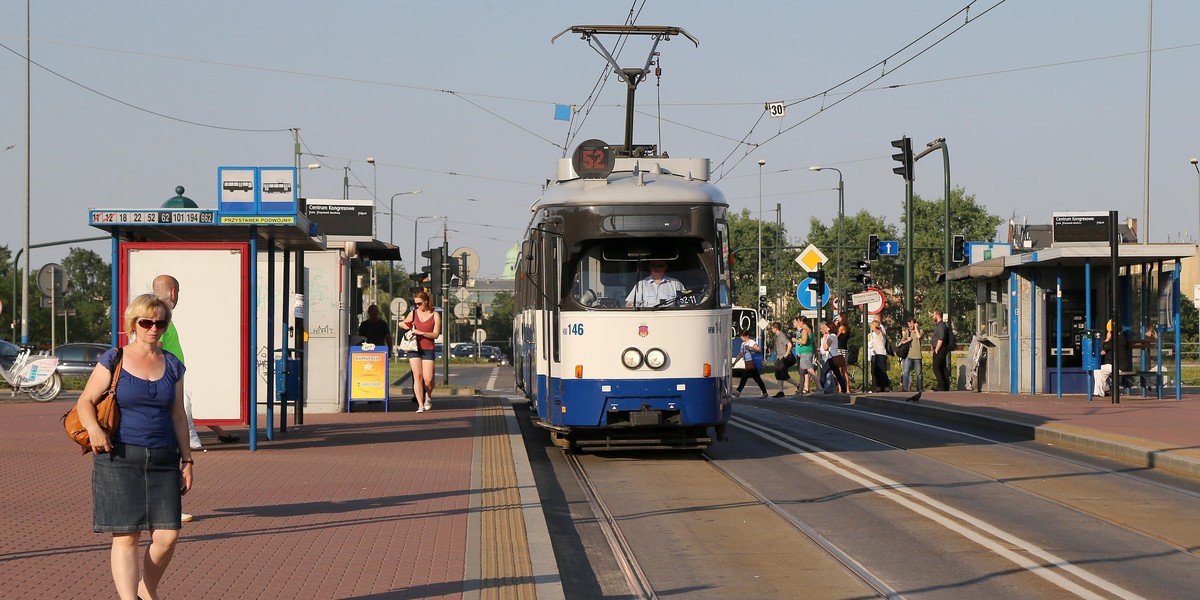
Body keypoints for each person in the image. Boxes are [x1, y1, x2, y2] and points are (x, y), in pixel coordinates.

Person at [75, 293, 192, 600]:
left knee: (167, 536)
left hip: (164, 458)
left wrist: (188, 460)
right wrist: (94, 430)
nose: (154, 328)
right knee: (127, 536)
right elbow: (85, 401)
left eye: (160, 322)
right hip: (119, 457)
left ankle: (147, 588)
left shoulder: (173, 365)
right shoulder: (115, 358)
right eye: (146, 322)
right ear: (134, 324)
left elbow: (178, 414)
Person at [152, 275, 239, 447]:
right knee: (183, 407)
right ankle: (191, 443)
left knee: (185, 405)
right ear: (174, 292)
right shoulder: (160, 318)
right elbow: (154, 348)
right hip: (167, 375)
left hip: (170, 373)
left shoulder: (154, 313)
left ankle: (216, 435)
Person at [399, 291, 441, 412]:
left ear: (426, 302)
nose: (417, 305)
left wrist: (421, 333)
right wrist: (406, 326)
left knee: (429, 379)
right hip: (414, 348)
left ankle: (428, 396)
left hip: (428, 348)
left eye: (419, 303)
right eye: (415, 303)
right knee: (417, 376)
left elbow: (435, 334)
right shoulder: (413, 313)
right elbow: (402, 323)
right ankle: (420, 405)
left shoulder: (435, 315)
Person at [733, 330, 767, 398]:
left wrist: (750, 348)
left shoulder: (752, 342)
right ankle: (765, 392)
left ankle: (738, 391)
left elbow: (759, 350)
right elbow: (741, 354)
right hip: (747, 363)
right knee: (757, 379)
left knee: (744, 377)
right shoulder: (743, 344)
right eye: (741, 336)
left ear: (747, 336)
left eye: (743, 336)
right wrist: (734, 363)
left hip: (752, 362)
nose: (741, 338)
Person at [791, 316, 819, 394]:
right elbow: (813, 342)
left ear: (802, 322)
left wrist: (795, 340)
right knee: (802, 372)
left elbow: (804, 341)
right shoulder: (809, 330)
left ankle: (820, 387)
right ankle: (800, 389)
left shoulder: (805, 330)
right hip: (804, 352)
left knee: (810, 370)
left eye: (799, 321)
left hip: (806, 353)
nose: (798, 323)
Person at [820, 321, 848, 393]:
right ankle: (844, 389)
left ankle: (820, 388)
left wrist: (824, 339)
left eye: (826, 327)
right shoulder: (834, 336)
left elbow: (825, 347)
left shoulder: (831, 336)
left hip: (831, 358)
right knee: (838, 374)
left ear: (830, 328)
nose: (825, 329)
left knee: (823, 372)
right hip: (834, 357)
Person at [768, 321, 795, 397]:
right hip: (780, 357)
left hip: (784, 357)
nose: (771, 330)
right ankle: (781, 391)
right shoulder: (777, 336)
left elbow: (789, 345)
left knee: (782, 374)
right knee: (779, 374)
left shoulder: (781, 336)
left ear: (776, 328)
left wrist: (786, 354)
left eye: (772, 328)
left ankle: (798, 385)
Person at [899, 316, 924, 392]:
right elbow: (902, 341)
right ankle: (905, 387)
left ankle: (920, 388)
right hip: (909, 355)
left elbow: (919, 336)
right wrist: (907, 340)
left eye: (911, 324)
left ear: (915, 323)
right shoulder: (907, 332)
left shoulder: (920, 331)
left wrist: (916, 328)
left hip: (917, 355)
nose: (910, 326)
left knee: (919, 373)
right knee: (906, 372)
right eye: (909, 324)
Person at [868, 319, 892, 392]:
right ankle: (878, 386)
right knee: (876, 371)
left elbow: (879, 330)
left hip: (881, 353)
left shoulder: (880, 333)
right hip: (876, 354)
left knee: (882, 371)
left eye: (872, 326)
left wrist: (877, 326)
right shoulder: (872, 334)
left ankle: (886, 386)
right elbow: (870, 344)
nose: (871, 327)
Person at [931, 310, 951, 391]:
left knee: (936, 367)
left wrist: (936, 349)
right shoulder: (940, 325)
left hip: (940, 349)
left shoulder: (941, 326)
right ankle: (946, 385)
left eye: (933, 315)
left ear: (937, 315)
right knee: (942, 367)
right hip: (941, 348)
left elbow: (941, 338)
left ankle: (941, 386)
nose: (933, 317)